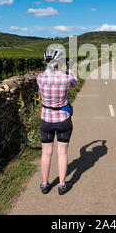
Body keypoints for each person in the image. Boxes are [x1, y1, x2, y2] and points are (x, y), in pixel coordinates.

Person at [37, 47, 78, 195]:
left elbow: (48, 72)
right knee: (62, 153)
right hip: (63, 119)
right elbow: (75, 82)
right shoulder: (66, 78)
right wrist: (69, 67)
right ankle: (62, 185)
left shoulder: (40, 78)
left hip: (46, 119)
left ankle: (45, 184)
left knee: (46, 153)